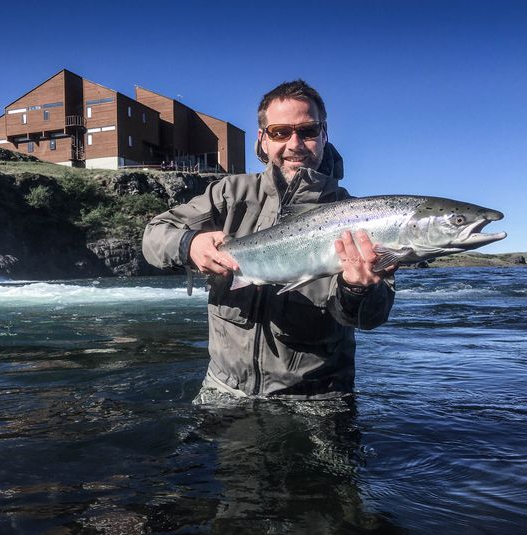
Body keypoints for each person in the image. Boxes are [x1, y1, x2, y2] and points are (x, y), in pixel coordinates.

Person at [142, 80, 396, 400]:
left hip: (318, 397)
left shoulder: (359, 217)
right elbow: (154, 234)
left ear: (324, 135)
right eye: (280, 132)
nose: (295, 144)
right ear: (263, 140)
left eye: (308, 131)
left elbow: (371, 318)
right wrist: (189, 244)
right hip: (224, 388)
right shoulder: (229, 194)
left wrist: (357, 289)